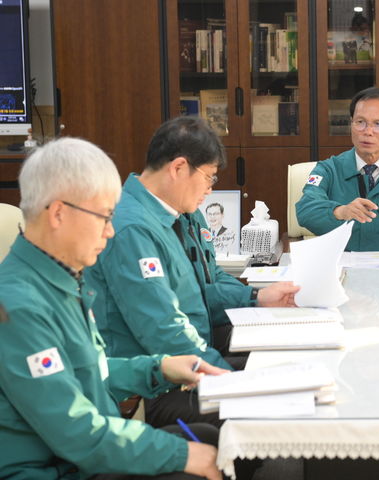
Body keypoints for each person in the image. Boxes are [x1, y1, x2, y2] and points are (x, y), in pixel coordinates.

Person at [0, 137, 225, 479]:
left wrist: (159, 368)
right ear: (58, 213)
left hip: (82, 452)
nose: (110, 231)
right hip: (56, 468)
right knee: (197, 459)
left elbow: (90, 371)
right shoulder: (18, 305)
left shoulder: (59, 278)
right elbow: (75, 430)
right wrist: (179, 454)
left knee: (209, 439)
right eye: (104, 216)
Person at [85, 116, 300, 427]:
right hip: (151, 388)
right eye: (209, 178)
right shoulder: (132, 228)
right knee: (264, 406)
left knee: (281, 369)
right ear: (178, 168)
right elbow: (161, 327)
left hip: (189, 359)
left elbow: (204, 285)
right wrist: (225, 377)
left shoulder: (174, 213)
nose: (210, 191)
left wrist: (255, 298)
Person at [296, 87, 379, 259]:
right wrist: (341, 211)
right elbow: (305, 210)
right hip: (339, 268)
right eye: (360, 122)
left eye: (378, 124)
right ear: (351, 124)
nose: (367, 131)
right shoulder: (327, 170)